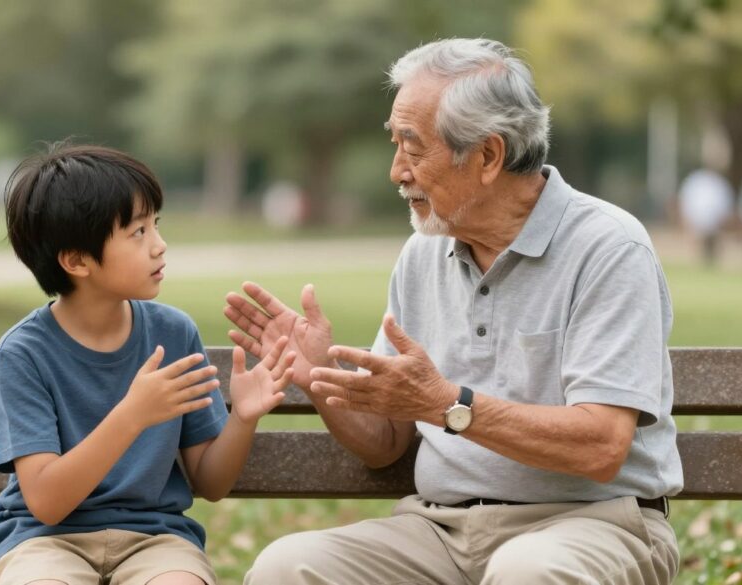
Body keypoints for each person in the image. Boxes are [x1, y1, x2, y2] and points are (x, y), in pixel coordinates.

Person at [227, 38, 682, 584]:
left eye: (413, 148)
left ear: (488, 156)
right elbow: (385, 443)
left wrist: (448, 404)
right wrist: (323, 378)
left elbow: (602, 446)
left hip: (593, 525)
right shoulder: (424, 252)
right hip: (441, 532)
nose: (397, 171)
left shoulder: (609, 247)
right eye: (396, 144)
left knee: (526, 573)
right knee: (285, 569)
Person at [0, 144, 295, 585]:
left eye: (156, 225)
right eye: (138, 232)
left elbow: (211, 482)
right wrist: (132, 414)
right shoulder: (23, 354)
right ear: (76, 260)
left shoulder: (173, 333)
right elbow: (48, 503)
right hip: (44, 541)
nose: (159, 246)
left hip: (154, 539)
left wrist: (242, 418)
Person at [678, 166, 734, 266]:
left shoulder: (720, 183)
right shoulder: (696, 180)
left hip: (715, 222)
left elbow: (725, 205)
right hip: (697, 220)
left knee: (712, 245)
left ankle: (712, 261)